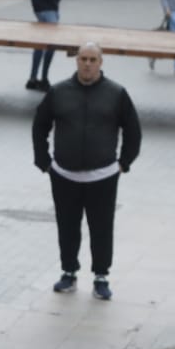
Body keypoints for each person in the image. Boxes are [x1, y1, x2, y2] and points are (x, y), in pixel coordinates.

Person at [33, 43, 142, 301]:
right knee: (67, 225)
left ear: (101, 62)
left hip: (103, 176)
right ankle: (68, 272)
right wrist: (44, 161)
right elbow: (40, 125)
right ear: (76, 61)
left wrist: (123, 163)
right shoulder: (58, 92)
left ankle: (101, 276)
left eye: (93, 59)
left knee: (101, 226)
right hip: (64, 175)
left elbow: (133, 130)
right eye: (83, 59)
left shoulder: (116, 94)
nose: (88, 64)